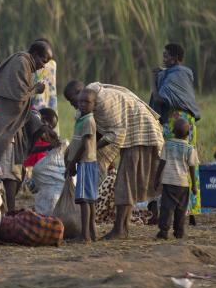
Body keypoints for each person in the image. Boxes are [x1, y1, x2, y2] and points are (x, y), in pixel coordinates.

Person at [63, 80, 164, 240]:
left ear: (80, 93)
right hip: (126, 130)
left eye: (73, 101)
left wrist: (90, 149)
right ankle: (114, 229)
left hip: (139, 130)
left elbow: (115, 134)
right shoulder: (90, 103)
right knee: (123, 181)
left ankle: (120, 229)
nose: (74, 106)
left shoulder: (102, 102)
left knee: (125, 180)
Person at [0, 41, 51, 211]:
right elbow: (19, 96)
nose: (43, 65)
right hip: (6, 125)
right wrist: (36, 89)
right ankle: (9, 212)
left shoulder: (24, 63)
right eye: (43, 60)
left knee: (14, 171)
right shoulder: (21, 62)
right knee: (8, 173)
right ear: (34, 53)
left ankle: (6, 209)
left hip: (12, 123)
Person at [149, 42, 202, 222]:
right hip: (189, 124)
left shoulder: (173, 75)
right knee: (190, 162)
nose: (163, 59)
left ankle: (173, 209)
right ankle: (192, 210)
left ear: (175, 58)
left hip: (175, 121)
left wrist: (153, 80)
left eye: (166, 56)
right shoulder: (185, 73)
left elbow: (159, 98)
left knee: (171, 163)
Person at [154, 118, 200, 239]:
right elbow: (192, 168)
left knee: (166, 208)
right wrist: (194, 186)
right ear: (188, 134)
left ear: (173, 131)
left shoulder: (167, 145)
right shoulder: (190, 149)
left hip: (169, 182)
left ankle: (163, 231)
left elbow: (162, 163)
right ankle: (179, 232)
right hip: (183, 184)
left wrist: (156, 179)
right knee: (181, 209)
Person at [65, 89, 99, 243]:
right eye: (80, 102)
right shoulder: (82, 119)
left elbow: (85, 146)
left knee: (85, 200)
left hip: (85, 162)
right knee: (90, 200)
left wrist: (72, 162)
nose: (83, 105)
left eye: (87, 102)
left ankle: (84, 235)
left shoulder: (88, 121)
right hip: (87, 162)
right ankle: (92, 233)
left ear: (94, 104)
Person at [32, 39, 58, 111]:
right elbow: (52, 89)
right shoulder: (53, 64)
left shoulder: (34, 62)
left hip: (36, 100)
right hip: (46, 100)